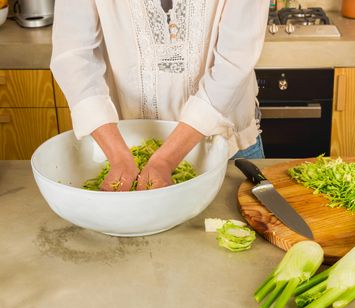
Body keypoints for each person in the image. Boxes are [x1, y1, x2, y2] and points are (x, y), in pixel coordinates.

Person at [51, 0, 269, 191]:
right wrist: (118, 156)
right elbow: (73, 56)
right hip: (125, 148)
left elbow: (234, 62)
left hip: (226, 147)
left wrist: (165, 159)